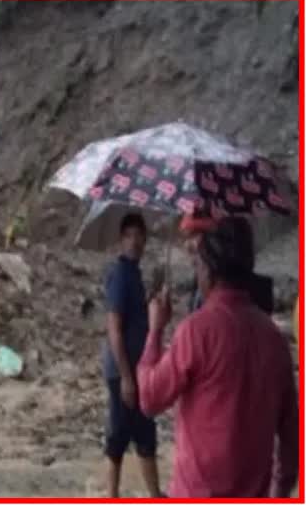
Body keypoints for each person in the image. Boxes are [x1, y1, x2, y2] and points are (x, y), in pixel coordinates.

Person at [139, 216, 298, 498]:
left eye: (198, 265)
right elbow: (292, 436)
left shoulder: (197, 332)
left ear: (209, 271)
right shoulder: (274, 339)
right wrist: (281, 489)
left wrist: (154, 331)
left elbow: (150, 399)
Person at [102, 213, 161, 498]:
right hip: (122, 370)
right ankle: (113, 495)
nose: (135, 241)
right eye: (130, 235)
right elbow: (114, 328)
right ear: (121, 240)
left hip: (136, 369)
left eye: (140, 236)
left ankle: (154, 493)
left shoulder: (134, 274)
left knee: (141, 429)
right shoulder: (121, 275)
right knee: (121, 432)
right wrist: (126, 377)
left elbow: (139, 322)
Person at [182, 214, 274, 315]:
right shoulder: (200, 280)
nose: (187, 245)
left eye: (193, 236)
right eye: (186, 238)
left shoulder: (245, 293)